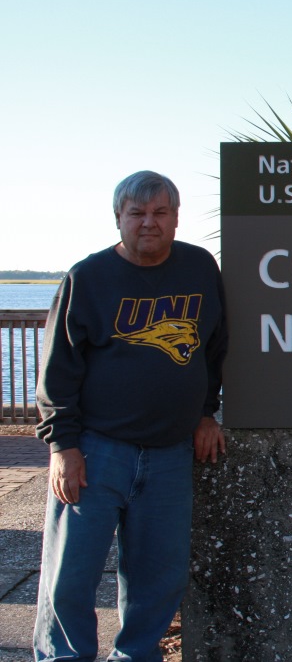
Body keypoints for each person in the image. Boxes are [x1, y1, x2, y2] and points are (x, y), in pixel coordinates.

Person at [33, 170, 228, 662]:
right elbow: (57, 371)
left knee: (157, 580)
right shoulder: (88, 277)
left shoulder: (201, 268)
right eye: (137, 213)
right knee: (71, 577)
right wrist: (63, 447)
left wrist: (207, 413)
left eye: (160, 213)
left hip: (169, 453)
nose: (149, 223)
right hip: (97, 451)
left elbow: (215, 347)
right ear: (118, 218)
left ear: (176, 218)